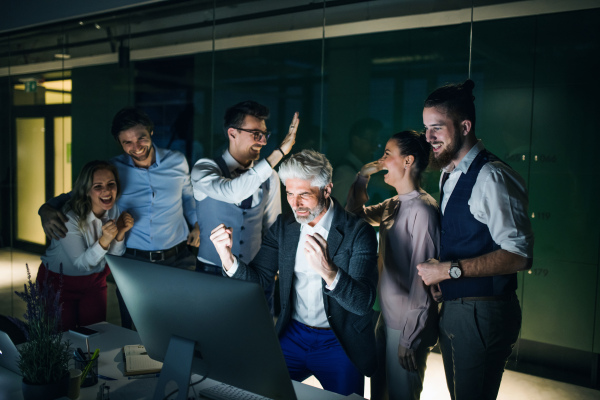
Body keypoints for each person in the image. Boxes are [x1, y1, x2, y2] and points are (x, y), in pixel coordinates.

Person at [209, 149, 378, 396]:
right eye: (289, 193)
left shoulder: (357, 232)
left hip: (338, 340)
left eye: (304, 195)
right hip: (294, 335)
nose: (295, 204)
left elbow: (363, 303)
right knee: (256, 392)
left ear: (327, 190)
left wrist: (330, 273)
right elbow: (258, 279)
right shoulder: (283, 226)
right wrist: (227, 257)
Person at [416, 80, 534, 400]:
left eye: (437, 128)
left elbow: (519, 255)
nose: (428, 138)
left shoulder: (492, 176)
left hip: (484, 313)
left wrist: (448, 271)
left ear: (465, 126)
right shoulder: (449, 173)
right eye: (426, 128)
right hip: (455, 309)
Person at [38, 107, 200, 329]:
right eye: (127, 143)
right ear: (119, 143)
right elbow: (77, 193)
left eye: (141, 138)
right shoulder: (113, 170)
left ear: (151, 132)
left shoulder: (178, 161)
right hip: (135, 263)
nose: (136, 148)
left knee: (186, 327)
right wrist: (45, 209)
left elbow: (188, 196)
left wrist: (197, 223)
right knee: (137, 332)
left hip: (179, 258)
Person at [347, 130, 439, 400]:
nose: (381, 160)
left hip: (406, 325)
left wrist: (409, 339)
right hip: (385, 318)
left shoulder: (423, 210)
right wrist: (362, 176)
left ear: (408, 161)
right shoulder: (394, 204)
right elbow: (354, 216)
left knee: (401, 395)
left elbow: (423, 279)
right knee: (380, 394)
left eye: (387, 154)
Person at [191, 101, 298, 273]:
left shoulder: (270, 176)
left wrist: (273, 268)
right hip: (211, 271)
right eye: (256, 134)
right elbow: (233, 193)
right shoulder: (204, 169)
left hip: (255, 270)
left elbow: (272, 227)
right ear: (232, 133)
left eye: (265, 134)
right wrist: (279, 153)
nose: (263, 142)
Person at [37, 160, 134, 331]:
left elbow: (114, 258)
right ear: (86, 190)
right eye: (98, 186)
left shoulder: (114, 210)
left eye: (111, 184)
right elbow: (81, 265)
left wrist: (120, 233)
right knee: (61, 341)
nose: (106, 190)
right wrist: (105, 240)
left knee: (95, 336)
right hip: (58, 282)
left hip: (95, 282)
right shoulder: (70, 217)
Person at [331, 118, 382, 206]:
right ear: (355, 141)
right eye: (372, 141)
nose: (376, 147)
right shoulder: (347, 173)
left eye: (377, 142)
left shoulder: (357, 171)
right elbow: (333, 214)